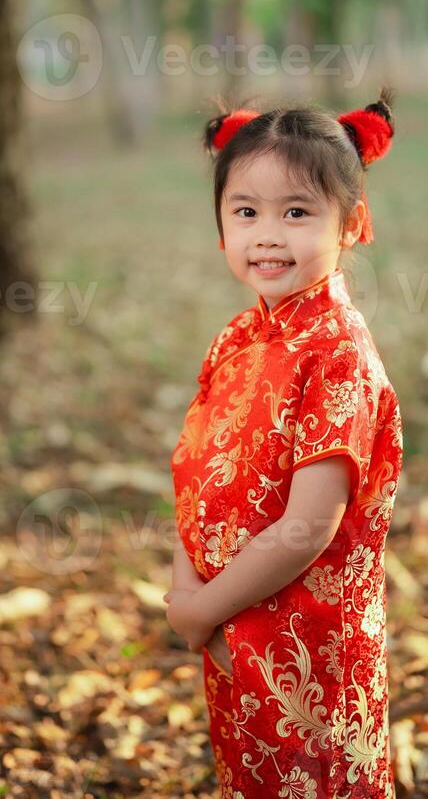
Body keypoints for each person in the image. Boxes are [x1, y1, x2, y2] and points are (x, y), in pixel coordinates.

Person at [164, 88, 403, 798]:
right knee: (251, 777)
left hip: (308, 643)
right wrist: (189, 591)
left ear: (352, 223)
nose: (267, 234)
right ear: (220, 229)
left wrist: (203, 608)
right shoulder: (236, 339)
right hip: (231, 633)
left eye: (296, 212)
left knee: (315, 783)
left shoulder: (338, 353)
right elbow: (193, 469)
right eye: (246, 212)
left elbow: (308, 525)